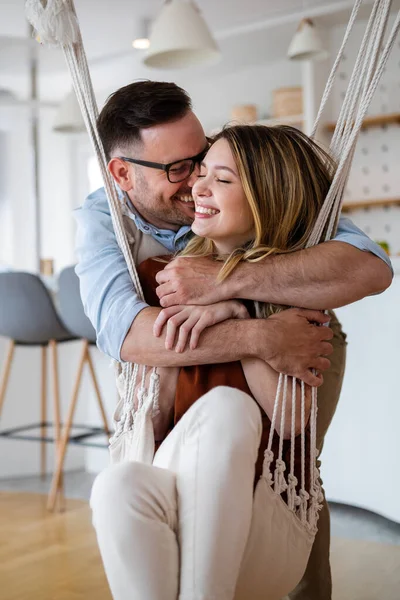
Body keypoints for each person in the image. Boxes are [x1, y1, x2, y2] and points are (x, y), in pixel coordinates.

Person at [75, 81, 392, 600]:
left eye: (202, 160)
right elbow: (129, 335)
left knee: (293, 471)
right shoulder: (104, 223)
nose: (195, 180)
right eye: (181, 168)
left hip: (290, 325)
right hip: (213, 346)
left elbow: (371, 268)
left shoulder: (264, 195)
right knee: (122, 482)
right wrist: (254, 332)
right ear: (123, 174)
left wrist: (228, 283)